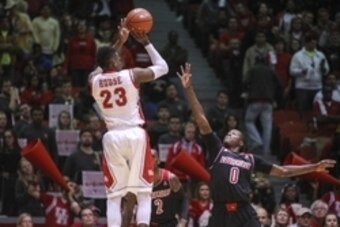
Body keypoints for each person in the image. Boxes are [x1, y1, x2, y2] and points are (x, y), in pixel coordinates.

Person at [177, 63, 336, 227]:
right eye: (229, 132)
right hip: (220, 210)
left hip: (244, 210)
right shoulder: (218, 150)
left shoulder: (250, 158)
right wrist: (189, 90)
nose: (230, 133)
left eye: (235, 133)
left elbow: (283, 171)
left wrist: (313, 167)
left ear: (242, 142)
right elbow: (202, 121)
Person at [89, 19, 169, 227]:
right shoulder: (131, 75)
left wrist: (119, 43)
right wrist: (146, 43)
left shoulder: (93, 81)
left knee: (114, 196)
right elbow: (163, 67)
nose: (121, 59)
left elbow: (100, 66)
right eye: (118, 57)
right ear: (114, 61)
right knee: (143, 192)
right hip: (134, 134)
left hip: (112, 136)